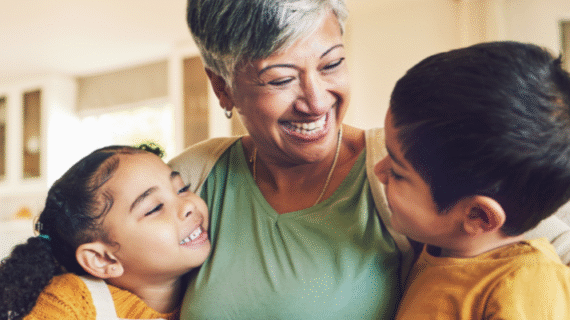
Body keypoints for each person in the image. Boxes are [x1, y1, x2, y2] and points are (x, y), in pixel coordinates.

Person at [170, 0, 570, 318]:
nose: (316, 101)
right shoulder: (189, 182)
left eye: (331, 64)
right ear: (222, 87)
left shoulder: (415, 165)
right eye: (281, 79)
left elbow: (528, 238)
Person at [375, 41, 570, 319]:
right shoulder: (441, 248)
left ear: (478, 215)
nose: (377, 171)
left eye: (396, 172)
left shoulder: (528, 285)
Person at [0, 144, 211, 319]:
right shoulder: (69, 303)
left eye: (182, 188)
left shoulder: (215, 290)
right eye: (154, 208)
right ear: (102, 259)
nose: (188, 205)